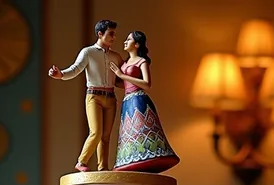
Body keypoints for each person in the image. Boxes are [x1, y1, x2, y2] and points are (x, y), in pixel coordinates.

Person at [48, 20, 123, 172]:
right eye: (110, 34)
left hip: (110, 97)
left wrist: (135, 82)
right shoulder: (88, 52)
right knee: (96, 132)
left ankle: (103, 167)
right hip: (94, 96)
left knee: (106, 136)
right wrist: (61, 74)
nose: (114, 37)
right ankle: (81, 161)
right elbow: (75, 69)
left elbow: (120, 80)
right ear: (100, 34)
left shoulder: (116, 56)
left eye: (114, 34)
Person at [109, 31, 179, 173]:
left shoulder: (142, 61)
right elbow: (123, 83)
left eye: (128, 39)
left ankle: (147, 156)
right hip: (127, 101)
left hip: (138, 100)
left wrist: (122, 75)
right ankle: (130, 159)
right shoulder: (125, 62)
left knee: (142, 131)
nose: (125, 42)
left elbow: (147, 83)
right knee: (130, 132)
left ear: (137, 44)